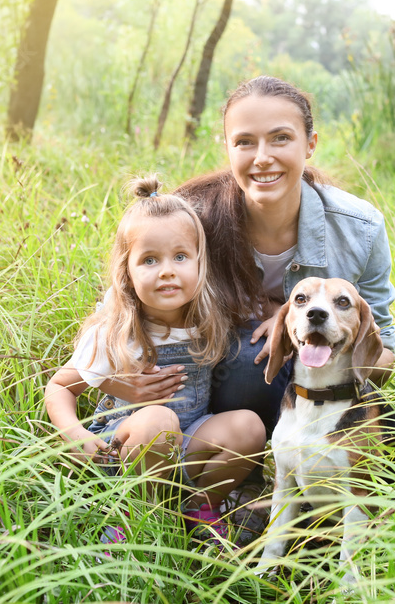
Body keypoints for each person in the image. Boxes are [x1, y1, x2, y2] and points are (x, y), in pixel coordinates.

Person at [108, 75, 395, 433]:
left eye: (280, 138)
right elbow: (122, 301)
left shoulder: (361, 228)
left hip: (324, 373)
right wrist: (118, 381)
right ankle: (239, 457)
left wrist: (301, 324)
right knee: (250, 358)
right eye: (245, 142)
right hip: (210, 375)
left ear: (310, 144)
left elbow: (383, 351)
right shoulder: (191, 220)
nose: (262, 158)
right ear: (228, 149)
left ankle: (305, 455)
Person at [43, 176, 266, 542]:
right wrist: (76, 436)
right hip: (126, 449)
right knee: (159, 421)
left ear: (200, 263)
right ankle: (134, 519)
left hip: (187, 444)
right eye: (149, 260)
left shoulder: (208, 318)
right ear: (126, 273)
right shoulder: (118, 331)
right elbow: (60, 387)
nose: (167, 270)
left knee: (248, 426)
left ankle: (198, 508)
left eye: (180, 257)